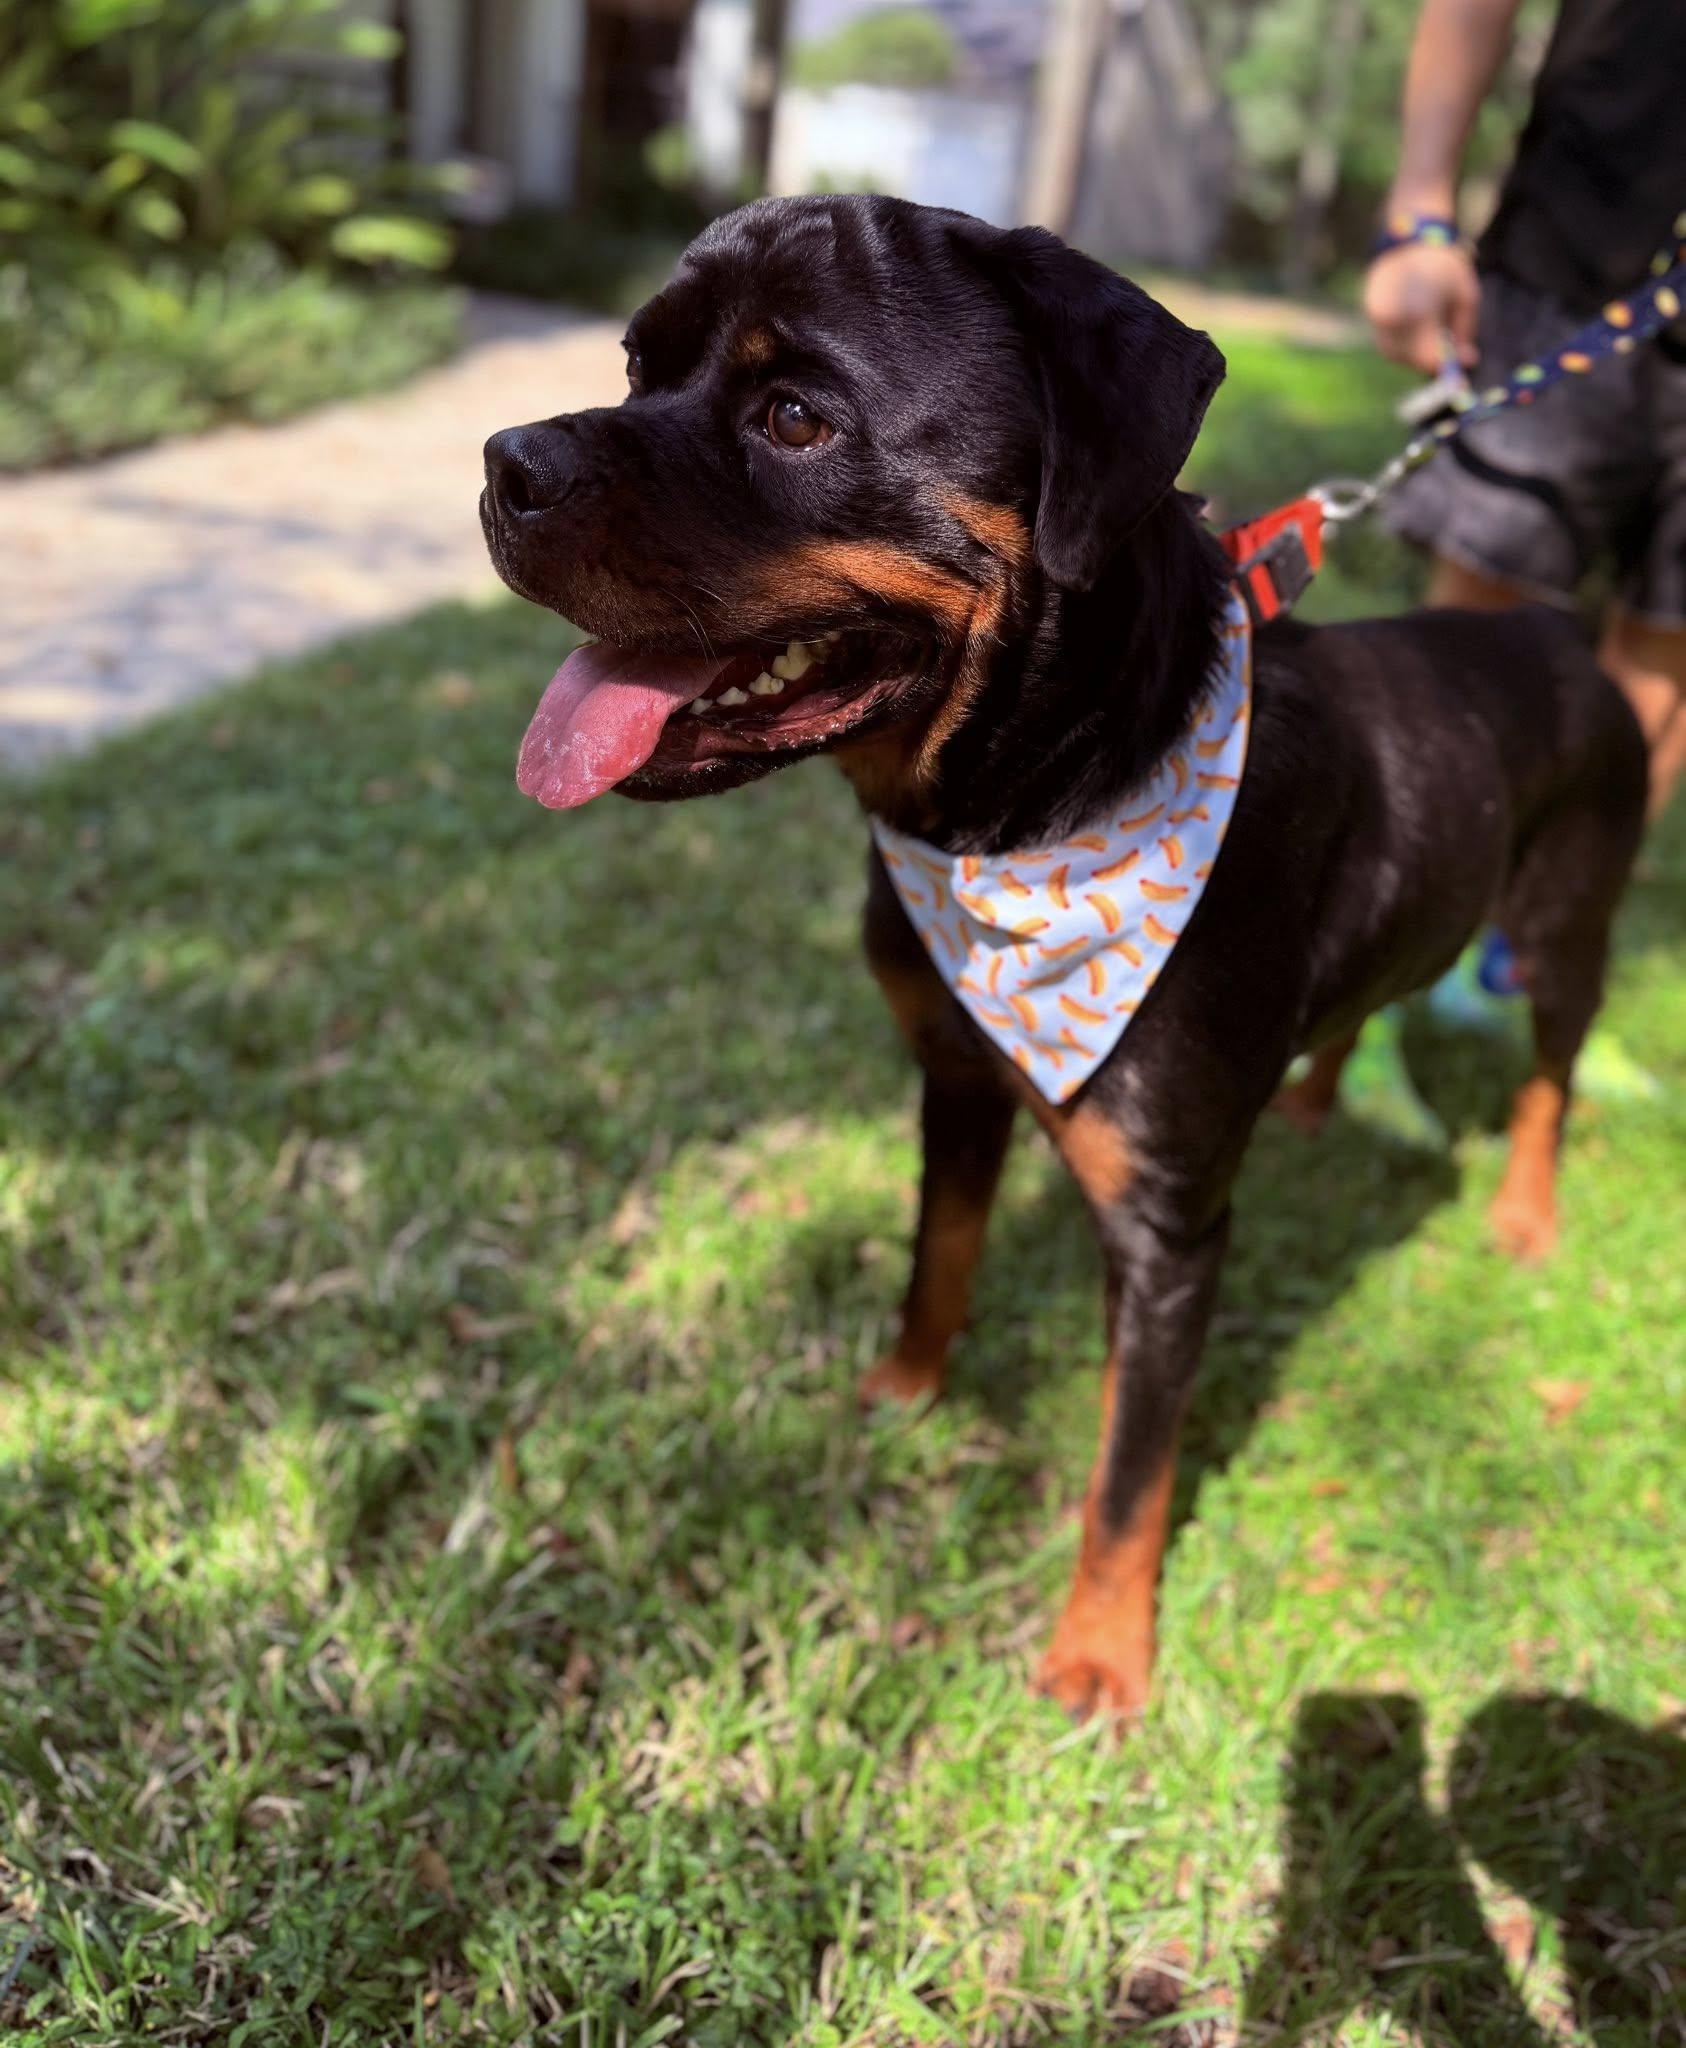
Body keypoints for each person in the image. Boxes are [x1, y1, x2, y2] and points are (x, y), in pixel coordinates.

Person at [1364, 0, 1686, 819]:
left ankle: (1541, 936)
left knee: (1667, 651)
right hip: (1574, 242)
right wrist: (1419, 218)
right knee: (1471, 645)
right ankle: (1425, 914)